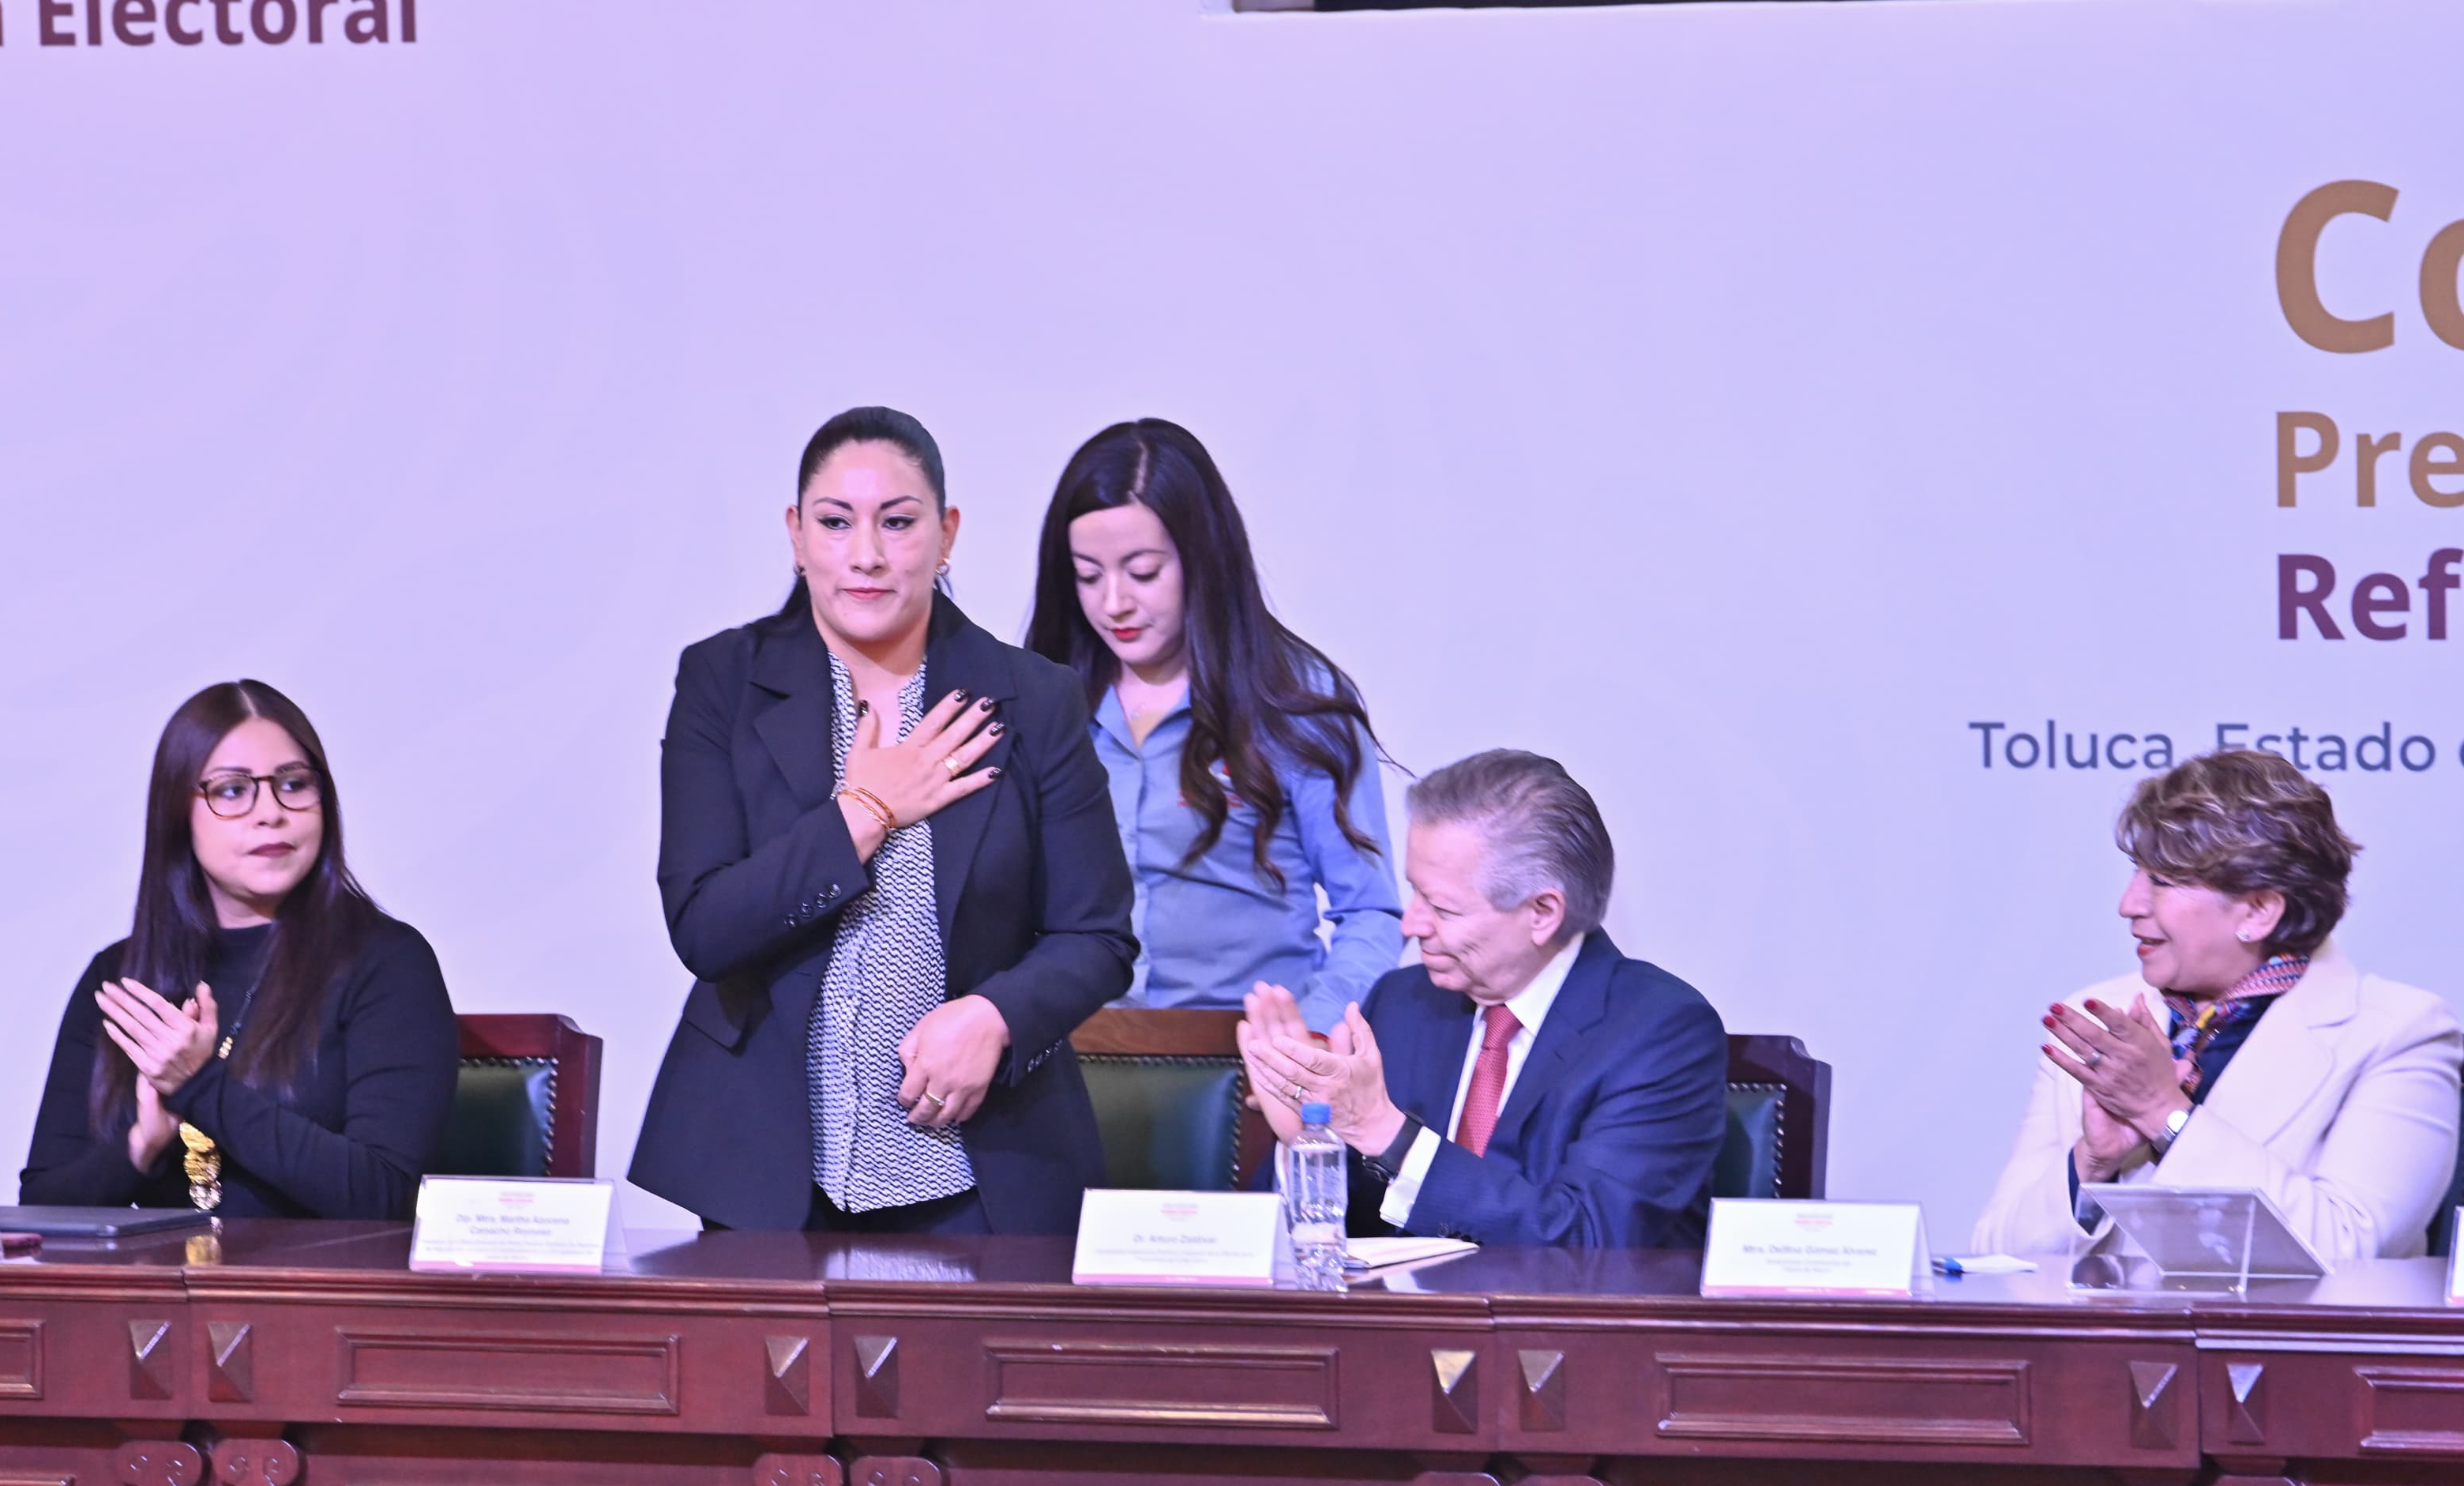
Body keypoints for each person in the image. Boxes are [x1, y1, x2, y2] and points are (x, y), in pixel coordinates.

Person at [626, 407, 1137, 1234]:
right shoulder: (723, 679)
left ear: (946, 534)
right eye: (835, 523)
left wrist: (996, 1016)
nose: (865, 554)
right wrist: (865, 813)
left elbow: (1098, 936)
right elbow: (704, 927)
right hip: (765, 1174)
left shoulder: (1033, 697)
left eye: (897, 523)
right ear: (797, 535)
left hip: (985, 1173)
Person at [1973, 750, 2462, 1262]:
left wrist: (2163, 1113)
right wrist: (2092, 1163)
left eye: (2162, 881)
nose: (2128, 904)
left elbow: (2352, 1247)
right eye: (2137, 872)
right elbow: (1996, 1254)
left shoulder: (2399, 1031)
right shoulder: (2095, 1019)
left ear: (2258, 910)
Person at [1235, 749, 1726, 1247]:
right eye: (1414, 892)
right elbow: (1340, 1233)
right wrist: (1311, 1144)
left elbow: (1592, 1241)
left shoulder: (1660, 1032)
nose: (1411, 925)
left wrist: (1388, 1133)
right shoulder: (1403, 1003)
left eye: (1443, 908)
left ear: (1542, 912)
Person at [21, 681, 459, 1218]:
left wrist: (200, 1086)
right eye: (232, 790)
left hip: (326, 1274)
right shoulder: (121, 976)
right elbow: (41, 1209)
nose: (270, 812)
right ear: (177, 813)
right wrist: (141, 1147)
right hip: (159, 1274)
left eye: (294, 784)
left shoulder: (389, 962)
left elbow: (383, 1194)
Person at [1024, 419, 1400, 1033]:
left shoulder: (1295, 701)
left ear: (1203, 559)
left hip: (1250, 1056)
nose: (1114, 602)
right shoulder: (1042, 697)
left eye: (1143, 572)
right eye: (1088, 575)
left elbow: (1371, 913)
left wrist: (1308, 1037)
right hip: (1076, 1053)